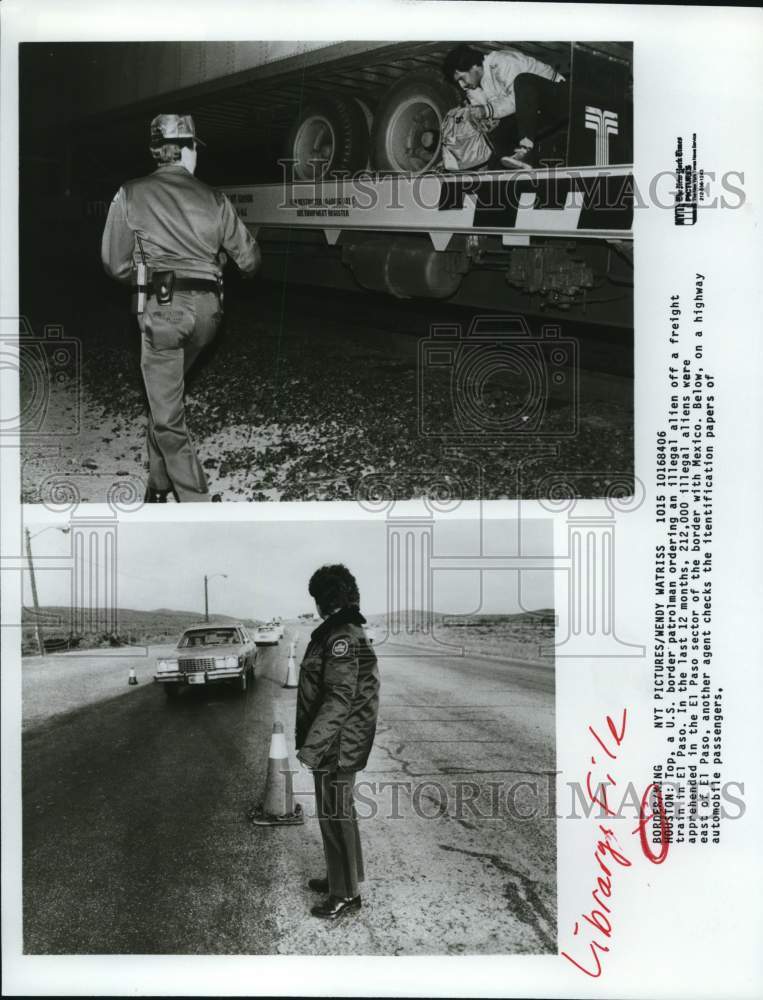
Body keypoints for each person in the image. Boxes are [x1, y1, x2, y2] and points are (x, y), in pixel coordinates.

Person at [101, 114, 261, 502]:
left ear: (158, 152)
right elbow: (251, 261)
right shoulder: (214, 197)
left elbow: (114, 263)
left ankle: (195, 503)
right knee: (165, 398)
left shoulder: (130, 193)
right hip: (209, 315)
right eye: (195, 150)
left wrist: (143, 272)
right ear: (188, 150)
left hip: (165, 313)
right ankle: (157, 486)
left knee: (168, 417)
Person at [295, 564, 380, 921]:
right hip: (338, 740)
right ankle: (341, 877)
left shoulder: (341, 636)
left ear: (323, 600)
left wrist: (311, 747)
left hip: (337, 745)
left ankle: (345, 894)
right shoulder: (338, 631)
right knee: (338, 815)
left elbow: (339, 699)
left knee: (334, 816)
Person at [443, 44, 568, 170]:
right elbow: (491, 113)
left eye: (462, 78)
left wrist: (486, 111)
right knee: (498, 136)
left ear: (474, 66)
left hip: (558, 98)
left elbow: (517, 98)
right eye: (458, 82)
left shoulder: (502, 62)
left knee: (522, 81)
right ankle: (498, 169)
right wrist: (481, 120)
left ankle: (526, 149)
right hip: (535, 115)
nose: (462, 85)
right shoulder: (473, 88)